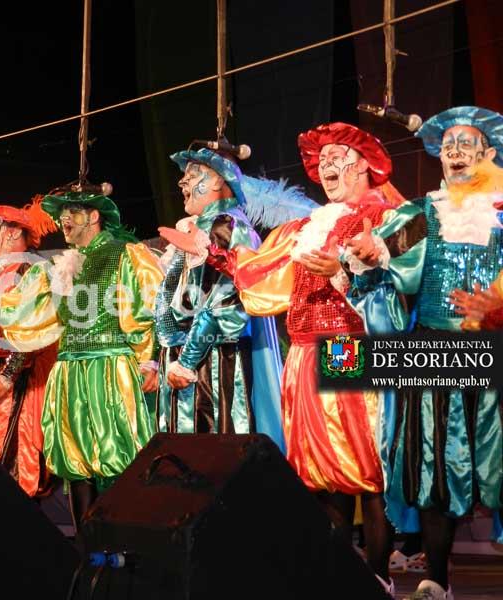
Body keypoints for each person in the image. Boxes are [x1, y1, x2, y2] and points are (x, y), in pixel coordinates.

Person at [162, 123, 420, 596]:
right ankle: (335, 573)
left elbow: (403, 283)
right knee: (319, 473)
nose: (327, 167)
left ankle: (377, 575)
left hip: (347, 346)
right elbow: (261, 274)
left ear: (364, 164)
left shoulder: (384, 216)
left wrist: (347, 269)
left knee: (364, 467)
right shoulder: (304, 227)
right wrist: (213, 252)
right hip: (303, 352)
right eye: (323, 161)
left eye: (338, 157)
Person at [0, 190, 163, 533]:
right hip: (69, 369)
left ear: (94, 216)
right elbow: (31, 313)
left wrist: (147, 360)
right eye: (61, 212)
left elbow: (143, 309)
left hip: (109, 365)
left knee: (116, 451)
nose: (63, 218)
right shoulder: (61, 265)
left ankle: (125, 541)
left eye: (72, 211)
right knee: (74, 456)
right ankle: (87, 543)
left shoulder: (125, 253)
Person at [380, 107, 503, 600]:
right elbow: (391, 260)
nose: (454, 151)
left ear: (487, 154)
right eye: (448, 144)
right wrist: (363, 257)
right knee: (434, 467)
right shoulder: (424, 212)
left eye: (465, 142)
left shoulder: (501, 212)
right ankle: (437, 579)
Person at [155, 144, 311, 445]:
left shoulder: (226, 226)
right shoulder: (201, 227)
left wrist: (186, 361)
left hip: (214, 364)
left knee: (219, 451)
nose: (182, 181)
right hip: (191, 361)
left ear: (217, 180)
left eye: (193, 174)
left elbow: (225, 304)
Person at [0, 197, 58, 496]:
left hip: (24, 377)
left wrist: (9, 374)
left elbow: (32, 328)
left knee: (17, 458)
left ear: (16, 232)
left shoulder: (32, 270)